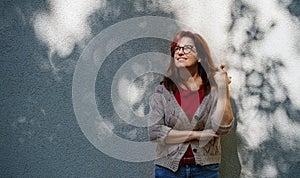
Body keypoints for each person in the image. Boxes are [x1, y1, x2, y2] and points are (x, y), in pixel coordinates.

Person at [148, 30, 234, 178]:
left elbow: (221, 128)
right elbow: (154, 131)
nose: (180, 52)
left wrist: (222, 89)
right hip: (168, 170)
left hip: (206, 170)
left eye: (187, 48)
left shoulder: (212, 90)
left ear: (200, 56)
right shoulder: (163, 91)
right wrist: (197, 135)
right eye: (177, 49)